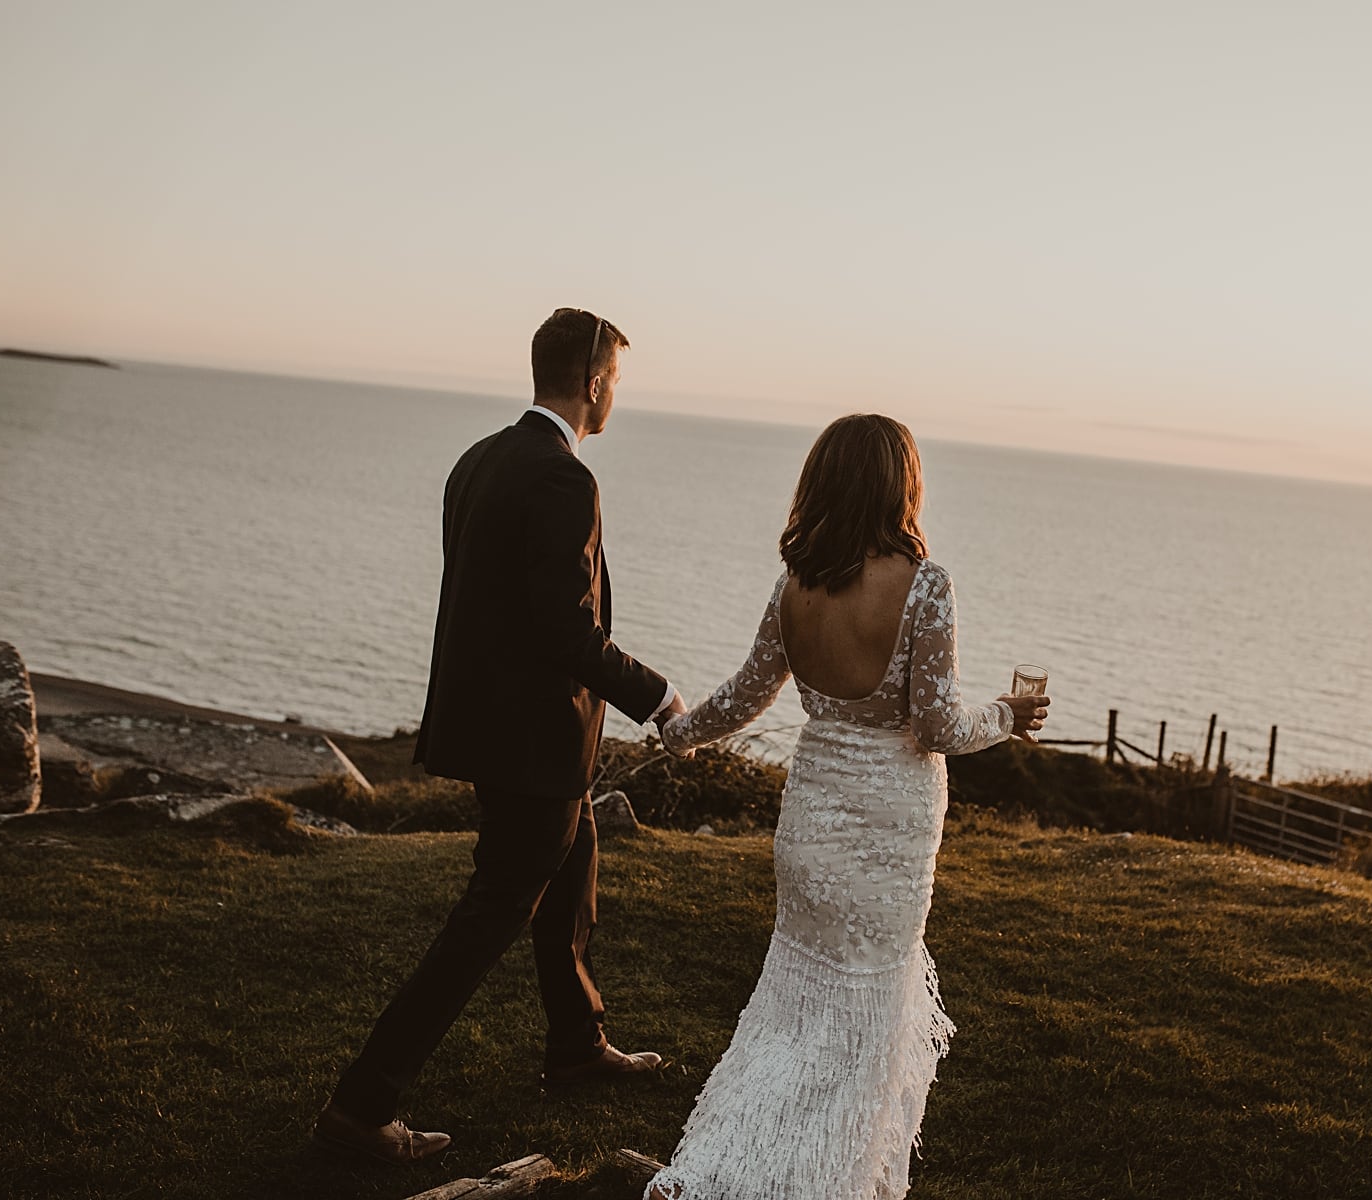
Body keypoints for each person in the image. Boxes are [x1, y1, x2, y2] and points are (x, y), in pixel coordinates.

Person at [313, 308, 687, 1164]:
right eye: (616, 383)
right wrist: (659, 697)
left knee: (573, 871)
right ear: (594, 383)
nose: (616, 397)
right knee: (489, 918)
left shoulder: (476, 459)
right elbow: (566, 631)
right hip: (534, 744)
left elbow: (488, 609)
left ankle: (577, 1045)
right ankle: (361, 1105)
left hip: (496, 733)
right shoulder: (564, 479)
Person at [645, 413, 1049, 1200]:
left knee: (792, 1014)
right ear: (902, 482)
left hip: (810, 826)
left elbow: (744, 695)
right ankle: (825, 1183)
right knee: (862, 1026)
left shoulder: (795, 585)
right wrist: (1006, 715)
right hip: (887, 835)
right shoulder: (926, 585)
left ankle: (713, 1171)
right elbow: (936, 726)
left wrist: (679, 733)